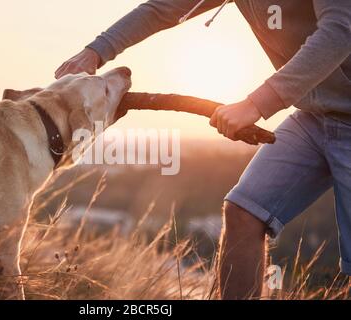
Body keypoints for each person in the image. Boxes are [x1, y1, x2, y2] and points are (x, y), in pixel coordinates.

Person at [55, 0, 351, 299]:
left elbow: (340, 30)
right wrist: (96, 50)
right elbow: (163, 9)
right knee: (244, 213)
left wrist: (256, 104)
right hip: (314, 116)